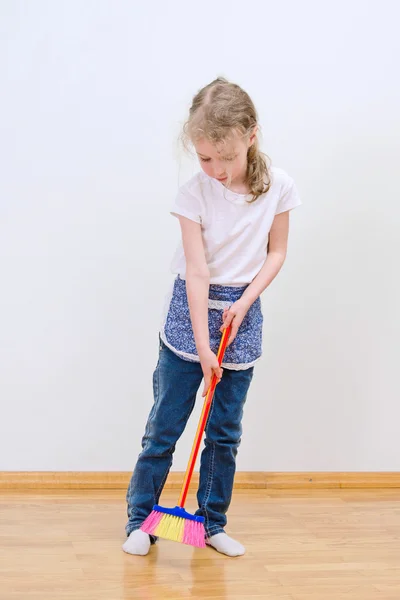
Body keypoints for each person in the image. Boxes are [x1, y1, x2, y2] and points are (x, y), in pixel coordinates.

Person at [123, 77, 301, 557]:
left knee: (223, 432)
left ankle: (210, 522)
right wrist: (203, 348)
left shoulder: (278, 187)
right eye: (204, 158)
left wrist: (246, 300)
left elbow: (277, 252)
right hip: (191, 315)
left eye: (225, 157)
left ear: (251, 135)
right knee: (166, 425)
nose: (215, 170)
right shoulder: (194, 194)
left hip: (242, 314)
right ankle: (141, 521)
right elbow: (197, 272)